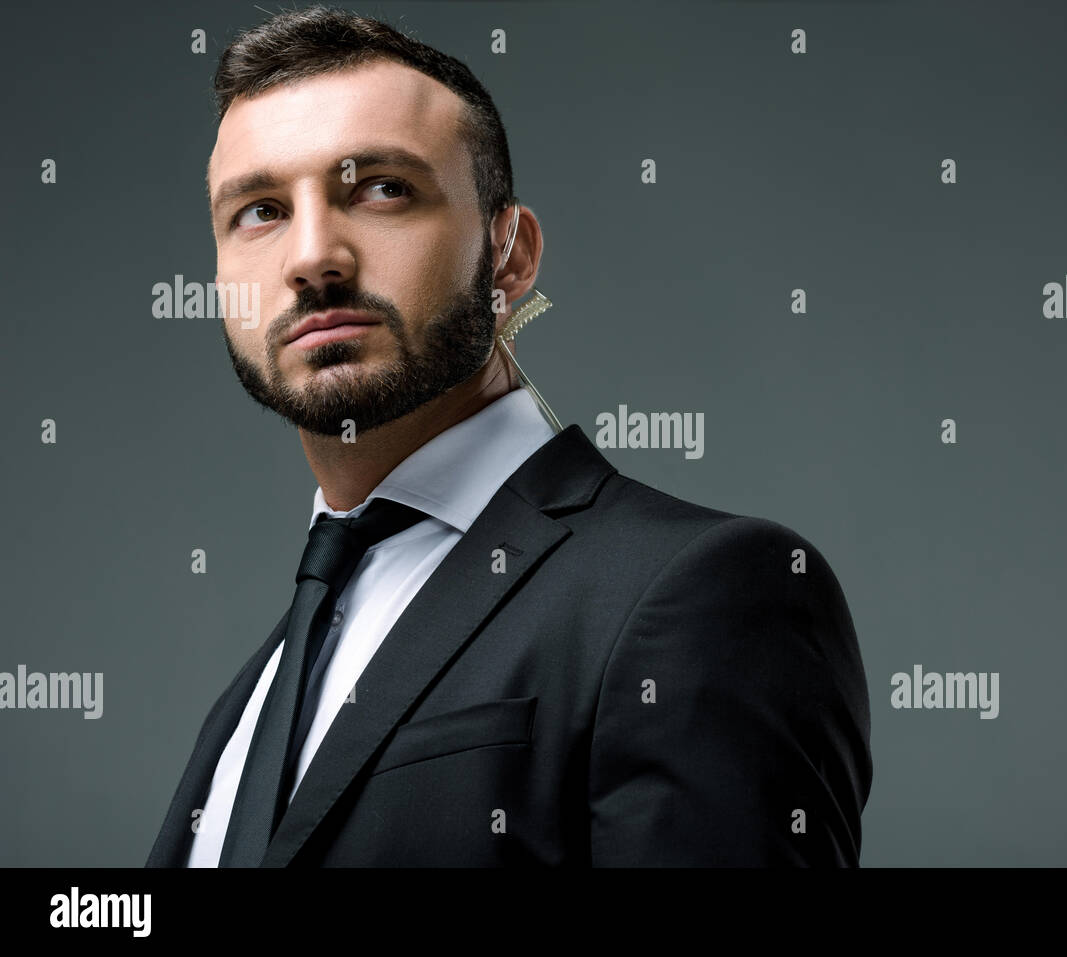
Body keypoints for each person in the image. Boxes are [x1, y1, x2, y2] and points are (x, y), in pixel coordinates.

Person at [146, 5, 872, 867]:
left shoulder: (706, 593)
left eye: (382, 188)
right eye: (260, 210)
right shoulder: (252, 698)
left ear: (511, 255)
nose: (313, 256)